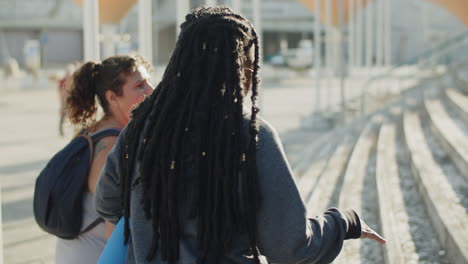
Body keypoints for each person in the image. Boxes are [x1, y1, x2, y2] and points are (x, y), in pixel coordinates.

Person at [95, 7, 385, 264]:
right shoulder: (250, 136)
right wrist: (345, 222)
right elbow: (290, 248)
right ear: (241, 67)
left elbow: (107, 201)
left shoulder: (143, 127)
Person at [55, 55, 154, 264]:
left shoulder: (90, 131)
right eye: (140, 85)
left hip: (71, 253)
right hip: (97, 256)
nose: (151, 90)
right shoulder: (113, 147)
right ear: (112, 97)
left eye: (148, 81)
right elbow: (115, 231)